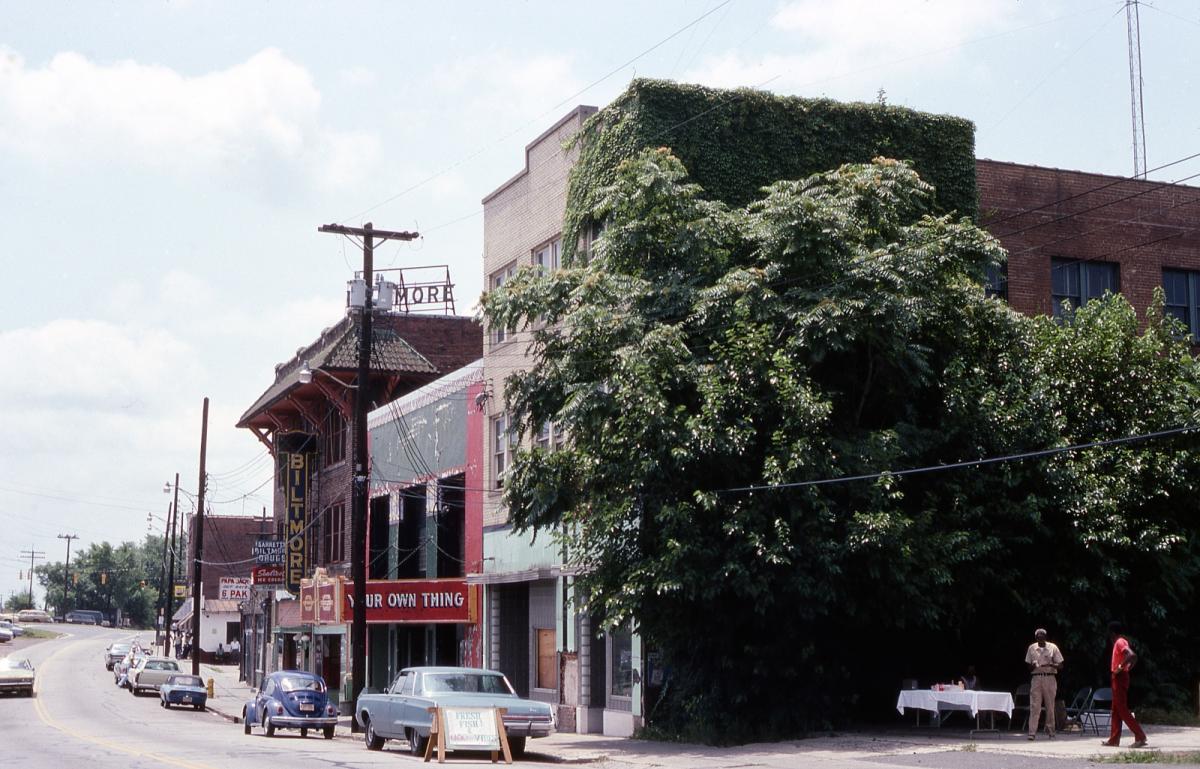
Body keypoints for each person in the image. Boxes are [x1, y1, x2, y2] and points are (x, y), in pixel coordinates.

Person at [1102, 621, 1148, 748]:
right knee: (1116, 710)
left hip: (1119, 677)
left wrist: (1121, 667)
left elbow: (1132, 654)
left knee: (1122, 709)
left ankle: (1140, 736)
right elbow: (1134, 658)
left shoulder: (1120, 641)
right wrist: (1128, 667)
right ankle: (1114, 740)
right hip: (1119, 676)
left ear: (1112, 632)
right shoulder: (1122, 641)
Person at [1024, 628, 1063, 740]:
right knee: (1035, 706)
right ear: (1036, 638)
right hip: (1036, 678)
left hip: (1049, 678)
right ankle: (1032, 732)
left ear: (1045, 637)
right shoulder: (1032, 648)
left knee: (1050, 706)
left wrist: (1052, 664)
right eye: (1038, 637)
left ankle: (1051, 731)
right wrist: (1034, 665)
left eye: (1042, 637)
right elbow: (1028, 667)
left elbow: (1061, 665)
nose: (1040, 639)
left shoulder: (1052, 647)